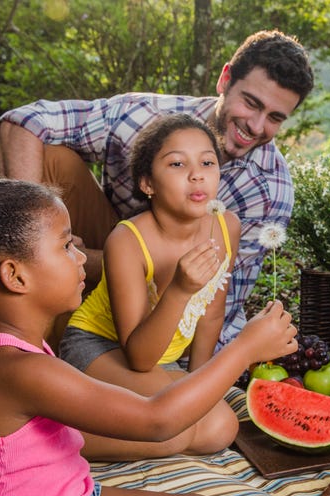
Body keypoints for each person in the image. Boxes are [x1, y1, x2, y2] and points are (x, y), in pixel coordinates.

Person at [0, 29, 314, 419]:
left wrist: (197, 378)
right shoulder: (144, 116)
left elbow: (215, 307)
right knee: (51, 155)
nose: (256, 126)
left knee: (194, 415)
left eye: (275, 117)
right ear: (225, 79)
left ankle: (2, 334)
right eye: (251, 103)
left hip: (153, 305)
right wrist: (36, 256)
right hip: (92, 260)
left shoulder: (268, 193)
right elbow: (22, 122)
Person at [0, 175, 330, 496]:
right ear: (15, 276)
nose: (82, 257)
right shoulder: (16, 369)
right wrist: (245, 347)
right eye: (66, 245)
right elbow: (157, 421)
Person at [60, 113, 242, 459]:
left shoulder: (226, 227)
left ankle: (110, 423)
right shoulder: (127, 240)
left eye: (207, 162)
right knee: (185, 427)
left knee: (219, 427)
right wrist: (180, 289)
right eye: (177, 164)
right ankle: (47, 439)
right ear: (147, 184)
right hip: (101, 347)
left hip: (164, 361)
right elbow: (140, 358)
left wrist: (199, 383)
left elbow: (211, 314)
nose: (197, 174)